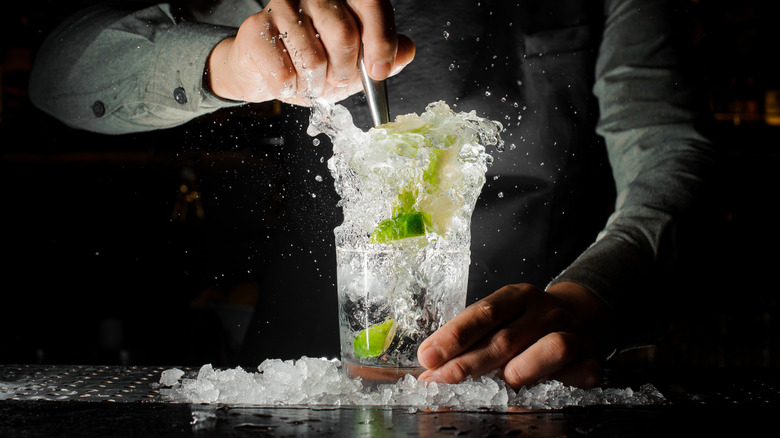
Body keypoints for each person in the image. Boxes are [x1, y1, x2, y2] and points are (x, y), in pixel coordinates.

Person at [29, 0, 718, 389]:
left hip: (539, 372)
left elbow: (668, 146)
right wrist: (225, 64)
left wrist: (593, 295)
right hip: (301, 383)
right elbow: (61, 74)